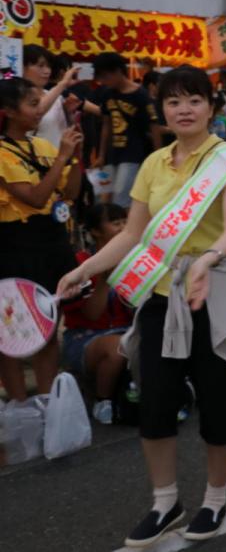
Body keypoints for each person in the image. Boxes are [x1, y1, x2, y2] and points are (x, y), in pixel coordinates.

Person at [57, 65, 226, 546]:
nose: (184, 109)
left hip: (213, 290)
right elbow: (132, 235)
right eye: (174, 102)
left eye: (194, 100)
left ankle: (215, 499)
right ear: (163, 109)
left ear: (211, 107)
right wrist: (84, 270)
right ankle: (165, 502)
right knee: (154, 402)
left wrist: (209, 258)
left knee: (218, 404)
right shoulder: (154, 164)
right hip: (160, 293)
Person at [0, 77, 84, 401]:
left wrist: (74, 155)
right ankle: (21, 406)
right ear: (8, 111)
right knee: (11, 333)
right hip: (15, 247)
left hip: (52, 243)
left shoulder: (45, 147)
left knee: (47, 329)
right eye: (33, 104)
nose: (40, 111)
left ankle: (48, 404)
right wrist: (62, 158)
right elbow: (35, 197)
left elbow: (71, 193)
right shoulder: (4, 152)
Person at [63, 203, 134, 425]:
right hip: (85, 337)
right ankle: (102, 401)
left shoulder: (135, 259)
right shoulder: (80, 263)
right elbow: (92, 315)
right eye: (115, 223)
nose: (123, 228)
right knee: (117, 346)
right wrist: (104, 276)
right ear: (95, 231)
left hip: (126, 331)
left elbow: (137, 308)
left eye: (125, 222)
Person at [94, 52, 160, 208]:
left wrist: (158, 157)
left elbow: (154, 126)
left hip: (132, 154)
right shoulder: (107, 94)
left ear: (118, 71)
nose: (103, 81)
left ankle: (124, 229)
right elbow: (106, 124)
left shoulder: (140, 95)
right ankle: (110, 230)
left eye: (106, 76)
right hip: (111, 154)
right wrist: (101, 155)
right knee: (103, 197)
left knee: (121, 199)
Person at [23, 44, 84, 148]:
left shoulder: (56, 96)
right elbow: (38, 111)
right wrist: (63, 83)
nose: (47, 71)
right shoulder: (18, 98)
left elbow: (66, 130)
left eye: (48, 66)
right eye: (40, 66)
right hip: (36, 161)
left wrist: (69, 114)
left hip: (62, 158)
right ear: (23, 67)